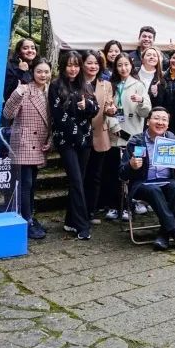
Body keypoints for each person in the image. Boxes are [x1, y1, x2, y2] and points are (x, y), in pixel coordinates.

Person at [120, 107, 175, 250]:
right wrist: (131, 166)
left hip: (167, 181)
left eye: (164, 119)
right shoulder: (136, 141)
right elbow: (122, 173)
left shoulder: (174, 141)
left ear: (168, 124)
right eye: (156, 118)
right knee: (153, 189)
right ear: (148, 122)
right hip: (142, 184)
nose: (160, 122)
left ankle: (164, 235)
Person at [49, 51, 99, 241]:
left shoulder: (85, 84)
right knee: (76, 180)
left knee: (80, 180)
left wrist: (85, 107)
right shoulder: (55, 85)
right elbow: (58, 116)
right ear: (63, 66)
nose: (73, 69)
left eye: (76, 65)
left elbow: (95, 109)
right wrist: (78, 135)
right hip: (66, 141)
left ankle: (70, 220)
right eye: (70, 65)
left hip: (85, 140)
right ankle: (82, 225)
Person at [1, 58, 52, 240]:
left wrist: (51, 139)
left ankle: (29, 216)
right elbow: (8, 114)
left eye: (46, 72)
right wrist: (17, 93)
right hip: (23, 142)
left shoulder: (49, 91)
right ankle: (26, 220)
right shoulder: (25, 88)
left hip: (39, 143)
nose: (43, 75)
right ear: (33, 72)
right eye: (39, 71)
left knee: (31, 185)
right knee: (25, 184)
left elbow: (53, 120)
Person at [109, 53, 151, 220]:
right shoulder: (111, 85)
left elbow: (146, 111)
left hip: (136, 137)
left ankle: (130, 204)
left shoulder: (139, 85)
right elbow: (108, 111)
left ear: (131, 65)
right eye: (120, 65)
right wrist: (118, 130)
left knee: (135, 171)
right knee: (116, 173)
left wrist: (141, 101)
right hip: (116, 136)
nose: (123, 68)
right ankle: (115, 205)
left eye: (126, 64)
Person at [81, 50, 119, 227]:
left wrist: (112, 110)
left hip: (100, 133)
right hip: (79, 135)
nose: (93, 66)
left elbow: (109, 105)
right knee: (80, 175)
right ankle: (78, 211)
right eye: (89, 62)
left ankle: (90, 210)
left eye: (96, 63)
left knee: (95, 176)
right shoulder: (76, 82)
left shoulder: (106, 84)